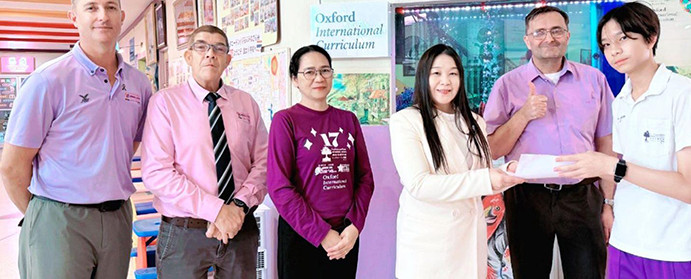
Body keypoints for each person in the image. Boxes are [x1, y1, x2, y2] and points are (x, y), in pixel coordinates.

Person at [0, 0, 152, 279]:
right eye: (91, 8)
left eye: (110, 7)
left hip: (118, 217)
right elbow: (13, 166)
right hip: (59, 219)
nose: (103, 15)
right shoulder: (48, 81)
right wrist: (44, 217)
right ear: (74, 18)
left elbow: (128, 145)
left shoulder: (139, 83)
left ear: (122, 16)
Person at [556, 1, 691, 278]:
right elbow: (622, 167)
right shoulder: (621, 101)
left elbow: (690, 188)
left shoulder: (684, 94)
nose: (614, 50)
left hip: (677, 247)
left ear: (651, 38)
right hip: (625, 242)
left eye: (623, 39)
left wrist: (612, 167)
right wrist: (608, 204)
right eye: (606, 44)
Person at [483, 5, 615, 279]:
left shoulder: (594, 80)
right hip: (526, 195)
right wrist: (524, 114)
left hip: (582, 194)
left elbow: (606, 143)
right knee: (529, 273)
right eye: (539, 32)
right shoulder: (507, 85)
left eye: (556, 31)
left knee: (589, 273)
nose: (549, 38)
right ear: (527, 40)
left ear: (567, 35)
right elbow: (494, 149)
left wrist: (609, 203)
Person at [141, 25, 268, 278]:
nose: (210, 53)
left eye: (219, 48)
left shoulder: (246, 103)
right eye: (201, 47)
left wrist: (238, 206)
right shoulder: (165, 103)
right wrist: (217, 210)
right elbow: (157, 172)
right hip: (185, 232)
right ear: (189, 56)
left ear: (228, 59)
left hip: (240, 227)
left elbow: (264, 163)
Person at [390, 44, 523, 279]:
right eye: (436, 73)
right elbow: (419, 185)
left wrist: (506, 174)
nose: (445, 81)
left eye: (453, 73)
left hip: (469, 239)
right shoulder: (406, 121)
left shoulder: (474, 121)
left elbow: (481, 176)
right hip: (430, 245)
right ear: (423, 77)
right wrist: (487, 178)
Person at [267, 45, 374, 279]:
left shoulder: (348, 120)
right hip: (301, 236)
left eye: (325, 70)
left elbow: (365, 178)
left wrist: (355, 226)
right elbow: (279, 186)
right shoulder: (285, 121)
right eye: (309, 72)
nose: (319, 78)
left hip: (345, 237)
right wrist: (322, 233)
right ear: (295, 79)